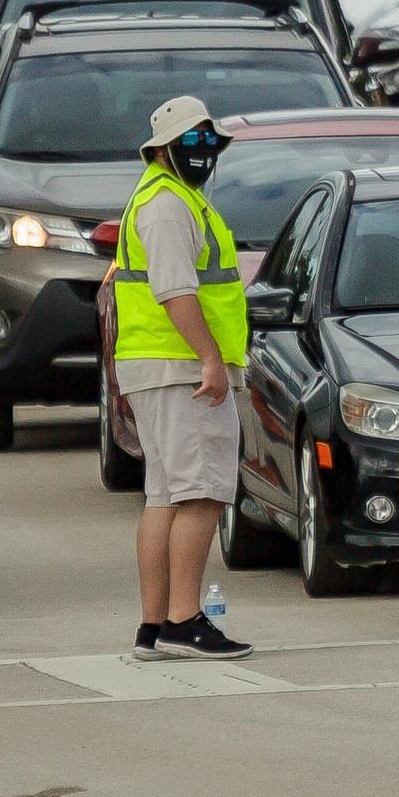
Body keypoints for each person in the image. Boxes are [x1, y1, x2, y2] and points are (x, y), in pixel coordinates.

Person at [110, 96, 253, 662]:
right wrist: (211, 360)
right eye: (190, 143)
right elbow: (175, 291)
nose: (203, 153)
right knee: (201, 494)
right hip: (182, 369)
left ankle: (154, 627)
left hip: (162, 367)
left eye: (208, 142)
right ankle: (184, 621)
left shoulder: (169, 198)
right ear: (164, 149)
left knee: (166, 496)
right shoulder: (168, 205)